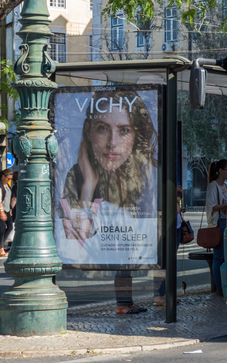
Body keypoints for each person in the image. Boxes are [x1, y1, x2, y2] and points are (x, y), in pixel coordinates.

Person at [59, 89, 158, 315]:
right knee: (123, 269)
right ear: (88, 132)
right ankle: (124, 303)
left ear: (136, 135)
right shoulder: (77, 176)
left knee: (124, 269)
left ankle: (126, 302)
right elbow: (75, 246)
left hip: (129, 246)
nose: (112, 143)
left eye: (124, 130)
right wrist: (88, 187)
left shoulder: (148, 175)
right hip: (112, 250)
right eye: (103, 128)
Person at [205, 159, 227, 296]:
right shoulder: (213, 186)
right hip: (218, 223)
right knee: (218, 255)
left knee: (226, 255)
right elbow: (213, 206)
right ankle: (219, 286)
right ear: (220, 171)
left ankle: (224, 284)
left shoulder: (226, 186)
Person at [0, 169, 12, 257]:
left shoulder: (6, 185)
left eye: (10, 179)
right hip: (0, 209)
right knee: (2, 228)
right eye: (8, 178)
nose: (9, 180)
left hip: (6, 209)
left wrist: (9, 209)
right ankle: (0, 249)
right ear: (3, 176)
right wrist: (1, 212)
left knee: (10, 227)